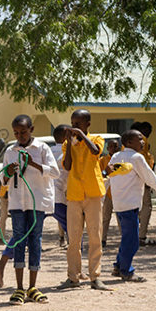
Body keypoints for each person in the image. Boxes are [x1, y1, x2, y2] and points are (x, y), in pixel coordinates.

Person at [1, 115, 58, 304]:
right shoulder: (11, 151)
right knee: (19, 239)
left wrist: (32, 164)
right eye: (16, 133)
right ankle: (18, 288)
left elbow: (55, 172)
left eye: (23, 132)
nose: (20, 136)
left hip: (37, 202)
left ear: (31, 129)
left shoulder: (42, 148)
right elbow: (3, 178)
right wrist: (8, 173)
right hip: (18, 203)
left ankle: (33, 287)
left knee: (35, 239)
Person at [108, 130, 156, 281]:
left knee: (127, 237)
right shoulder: (137, 157)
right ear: (129, 142)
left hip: (119, 203)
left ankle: (119, 266)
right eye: (139, 139)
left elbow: (110, 175)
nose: (143, 142)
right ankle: (126, 271)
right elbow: (149, 177)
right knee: (132, 241)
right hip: (130, 204)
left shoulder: (116, 156)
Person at [59, 109, 110, 290]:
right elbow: (67, 166)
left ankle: (95, 277)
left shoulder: (96, 139)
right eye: (73, 124)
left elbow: (96, 151)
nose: (74, 127)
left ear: (87, 124)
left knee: (95, 236)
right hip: (74, 194)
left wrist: (81, 136)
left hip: (93, 192)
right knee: (74, 237)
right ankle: (73, 277)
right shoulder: (69, 144)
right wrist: (69, 143)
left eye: (78, 124)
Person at [134, 121, 156, 245]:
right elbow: (144, 163)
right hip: (143, 179)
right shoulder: (143, 141)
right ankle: (141, 236)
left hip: (132, 180)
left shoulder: (127, 146)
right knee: (146, 207)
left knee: (135, 208)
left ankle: (134, 235)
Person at [51, 124, 70, 248]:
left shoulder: (48, 151)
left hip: (44, 193)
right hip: (58, 193)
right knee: (69, 224)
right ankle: (77, 246)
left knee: (32, 225)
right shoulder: (66, 152)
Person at [100, 139, 121, 248]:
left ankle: (123, 238)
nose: (114, 149)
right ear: (108, 149)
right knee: (105, 217)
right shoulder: (103, 160)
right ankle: (102, 239)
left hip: (119, 192)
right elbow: (100, 174)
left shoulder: (121, 159)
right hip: (107, 192)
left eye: (116, 146)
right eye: (112, 147)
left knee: (120, 217)